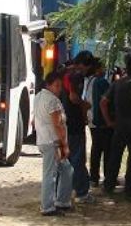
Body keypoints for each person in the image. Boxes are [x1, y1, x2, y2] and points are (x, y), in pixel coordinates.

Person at [101, 54, 131, 197]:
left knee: (115, 156)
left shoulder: (117, 84)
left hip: (120, 125)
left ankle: (109, 184)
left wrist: (109, 121)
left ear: (126, 69)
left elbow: (103, 102)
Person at [34, 70, 73, 216]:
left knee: (66, 170)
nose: (59, 89)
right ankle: (47, 206)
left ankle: (62, 201)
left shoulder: (39, 97)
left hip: (45, 140)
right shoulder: (52, 101)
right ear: (49, 85)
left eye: (60, 86)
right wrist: (64, 144)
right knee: (51, 175)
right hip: (52, 142)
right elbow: (58, 125)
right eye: (57, 86)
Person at [60, 50, 94, 204]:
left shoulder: (63, 71)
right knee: (78, 159)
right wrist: (85, 105)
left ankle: (64, 191)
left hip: (62, 121)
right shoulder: (77, 75)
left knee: (65, 159)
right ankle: (82, 192)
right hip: (74, 122)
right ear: (84, 65)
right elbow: (74, 98)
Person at [84, 58, 111, 188]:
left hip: (93, 120)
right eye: (103, 67)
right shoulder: (101, 82)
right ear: (97, 68)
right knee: (106, 150)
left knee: (96, 149)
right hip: (102, 121)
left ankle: (94, 177)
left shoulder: (89, 81)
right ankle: (108, 177)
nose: (104, 70)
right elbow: (106, 102)